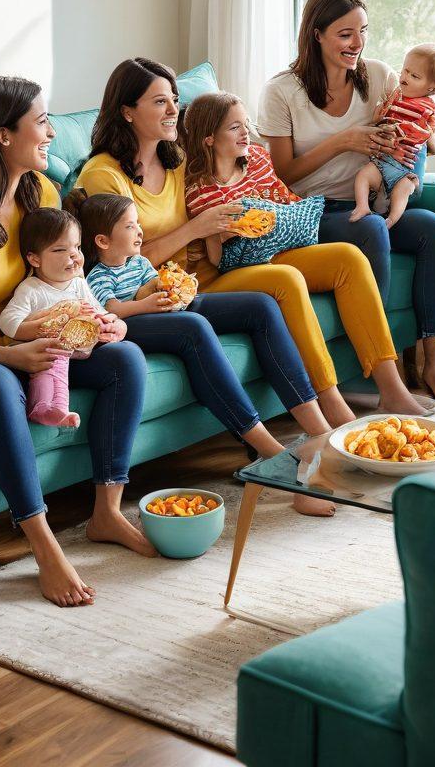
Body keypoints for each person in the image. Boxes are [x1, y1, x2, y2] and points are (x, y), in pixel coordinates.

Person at [0, 75, 156, 610]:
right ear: (2, 135)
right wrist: (7, 354)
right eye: (41, 122)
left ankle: (107, 511)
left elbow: (63, 279)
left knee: (125, 359)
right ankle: (43, 546)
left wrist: (101, 322)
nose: (51, 132)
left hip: (30, 337)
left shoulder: (39, 193)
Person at [75, 57, 346, 516]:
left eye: (174, 100)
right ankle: (276, 459)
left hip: (182, 287)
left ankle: (320, 436)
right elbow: (112, 260)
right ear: (126, 111)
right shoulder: (105, 175)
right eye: (160, 102)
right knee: (197, 327)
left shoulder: (174, 160)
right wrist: (196, 229)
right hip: (131, 298)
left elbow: (219, 189)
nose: (173, 111)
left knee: (261, 306)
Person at [257, 0, 435, 403]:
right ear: (317, 34)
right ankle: (385, 374)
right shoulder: (282, 91)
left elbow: (425, 126)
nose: (357, 43)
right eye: (346, 34)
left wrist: (408, 142)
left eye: (363, 31)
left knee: (434, 229)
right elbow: (283, 173)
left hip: (372, 200)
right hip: (312, 211)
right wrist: (343, 142)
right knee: (371, 228)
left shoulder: (381, 76)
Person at [183, 92, 426, 419]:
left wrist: (276, 214)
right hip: (232, 271)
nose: (245, 133)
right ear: (209, 139)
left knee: (349, 258)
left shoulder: (257, 159)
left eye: (246, 124)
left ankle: (393, 390)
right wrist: (224, 231)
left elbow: (286, 201)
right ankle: (330, 400)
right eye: (234, 127)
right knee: (286, 278)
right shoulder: (198, 188)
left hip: (280, 249)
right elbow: (214, 259)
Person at [0, 207, 127, 429]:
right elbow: (7, 321)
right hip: (44, 352)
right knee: (55, 355)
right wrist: (43, 327)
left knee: (120, 348)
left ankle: (54, 408)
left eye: (77, 247)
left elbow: (99, 310)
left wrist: (115, 324)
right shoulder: (32, 289)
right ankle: (46, 408)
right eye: (60, 249)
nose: (74, 255)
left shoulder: (78, 284)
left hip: (80, 349)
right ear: (34, 259)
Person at [350, 43, 435, 229]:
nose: (405, 77)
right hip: (383, 162)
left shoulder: (429, 107)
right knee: (363, 175)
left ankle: (391, 220)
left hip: (406, 171)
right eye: (405, 71)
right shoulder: (395, 95)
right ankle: (362, 207)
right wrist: (378, 118)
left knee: (403, 189)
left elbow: (433, 144)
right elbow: (379, 120)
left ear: (432, 89)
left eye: (414, 76)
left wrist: (419, 129)